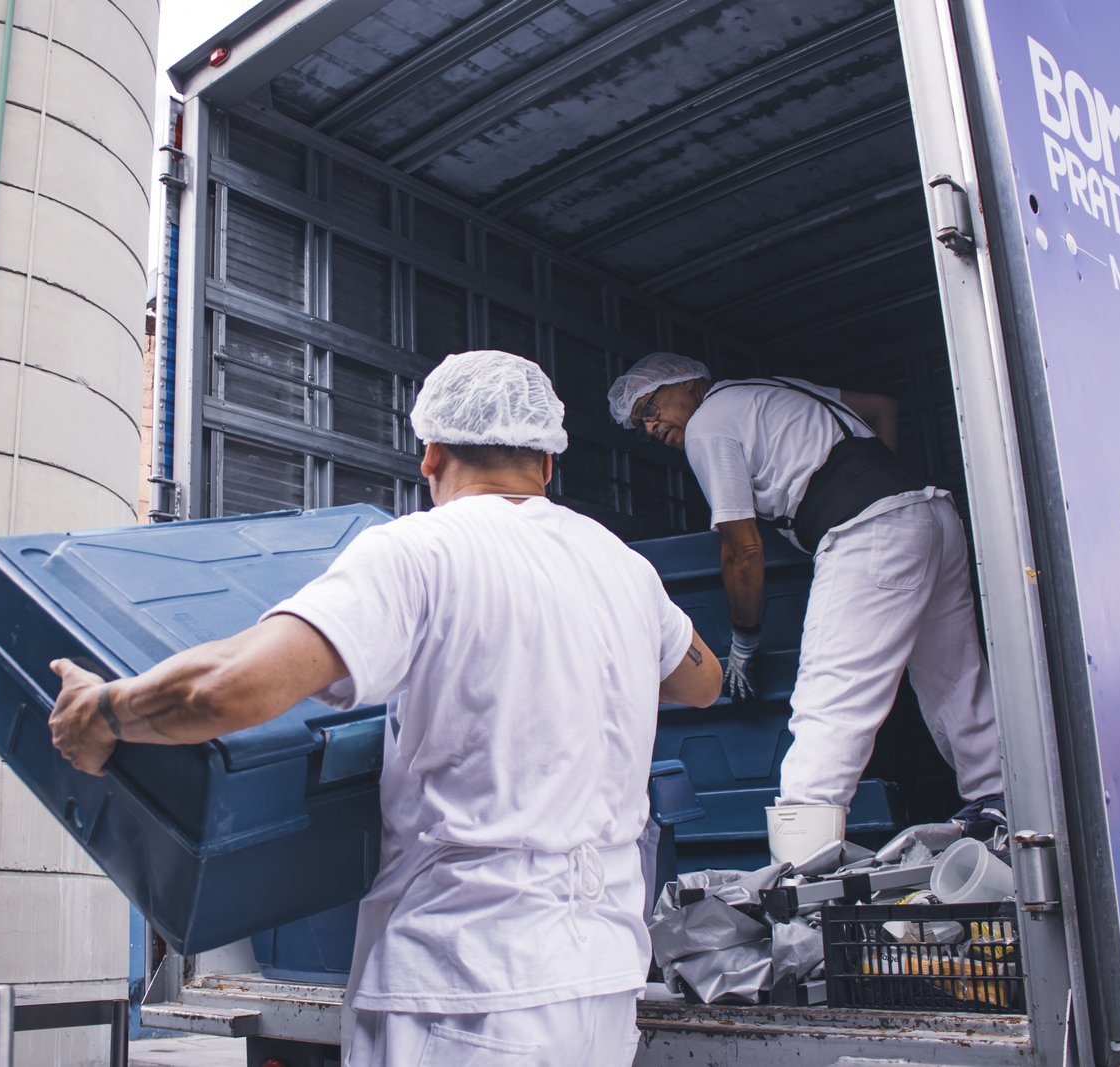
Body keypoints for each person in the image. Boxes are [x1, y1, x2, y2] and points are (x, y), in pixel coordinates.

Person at [49, 349, 722, 1066]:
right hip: (601, 984)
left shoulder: (421, 552)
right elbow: (703, 680)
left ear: (431, 455)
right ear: (547, 464)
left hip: (469, 986)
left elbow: (229, 688)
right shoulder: (624, 567)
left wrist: (104, 711)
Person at [606, 352, 1005, 857]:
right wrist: (876, 488)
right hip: (929, 515)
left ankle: (801, 856)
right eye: (640, 422)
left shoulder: (709, 424)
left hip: (869, 532)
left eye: (650, 407)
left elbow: (742, 547)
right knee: (955, 676)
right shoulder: (774, 389)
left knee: (830, 691)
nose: (649, 425)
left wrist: (744, 640)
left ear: (688, 383)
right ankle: (998, 802)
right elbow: (881, 407)